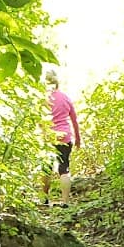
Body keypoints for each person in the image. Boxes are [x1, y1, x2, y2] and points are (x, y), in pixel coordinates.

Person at [42, 67, 80, 206]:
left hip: (49, 137)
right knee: (64, 169)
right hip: (65, 136)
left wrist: (43, 133)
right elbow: (74, 120)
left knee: (46, 169)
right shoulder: (65, 98)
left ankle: (45, 199)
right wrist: (78, 139)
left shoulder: (44, 99)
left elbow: (39, 120)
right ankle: (65, 202)